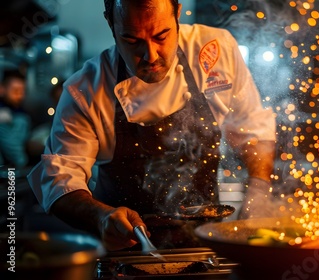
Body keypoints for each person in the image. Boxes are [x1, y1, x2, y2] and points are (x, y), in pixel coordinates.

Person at [27, 0, 277, 251]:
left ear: (177, 14)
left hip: (205, 247)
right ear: (110, 22)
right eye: (132, 40)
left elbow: (252, 128)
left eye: (162, 36)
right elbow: (59, 180)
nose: (151, 55)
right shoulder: (85, 90)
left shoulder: (215, 49)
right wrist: (101, 216)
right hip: (125, 253)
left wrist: (258, 189)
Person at [0, 69, 31, 168]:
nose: (20, 95)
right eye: (15, 91)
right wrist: (22, 162)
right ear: (2, 89)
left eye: (23, 91)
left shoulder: (21, 113)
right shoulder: (5, 116)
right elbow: (12, 148)